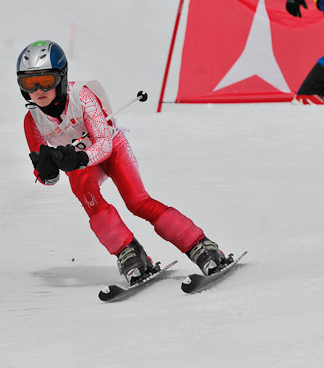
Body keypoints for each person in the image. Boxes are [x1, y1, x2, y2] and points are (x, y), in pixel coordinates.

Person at [17, 40, 231, 285]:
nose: (37, 90)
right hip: (80, 161)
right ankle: (129, 253)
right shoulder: (32, 120)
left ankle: (200, 245)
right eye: (28, 83)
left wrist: (79, 158)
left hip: (111, 148)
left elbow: (105, 144)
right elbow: (47, 175)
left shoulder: (82, 97)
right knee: (89, 200)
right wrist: (47, 172)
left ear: (62, 78)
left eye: (45, 81)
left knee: (138, 202)